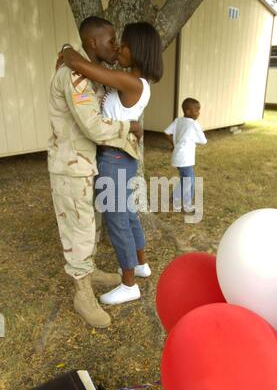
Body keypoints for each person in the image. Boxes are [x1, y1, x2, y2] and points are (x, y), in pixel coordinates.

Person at [49, 17, 143, 328]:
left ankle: (88, 272)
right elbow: (93, 126)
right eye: (110, 40)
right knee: (80, 230)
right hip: (72, 166)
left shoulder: (88, 71)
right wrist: (130, 127)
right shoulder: (74, 77)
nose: (115, 45)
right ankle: (82, 292)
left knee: (87, 225)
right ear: (92, 44)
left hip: (85, 163)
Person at [62, 20, 163, 306]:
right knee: (128, 214)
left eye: (124, 44)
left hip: (114, 158)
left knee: (117, 219)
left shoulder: (132, 82)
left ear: (138, 51)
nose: (118, 48)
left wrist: (71, 54)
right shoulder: (134, 80)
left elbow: (89, 69)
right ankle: (141, 265)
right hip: (122, 157)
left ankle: (129, 284)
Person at [164, 98, 207, 212]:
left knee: (187, 180)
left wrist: (174, 144)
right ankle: (180, 202)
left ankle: (179, 200)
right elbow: (203, 141)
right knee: (189, 182)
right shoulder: (194, 124)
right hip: (185, 159)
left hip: (179, 157)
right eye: (196, 110)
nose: (198, 113)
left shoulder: (178, 121)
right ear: (188, 111)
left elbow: (167, 132)